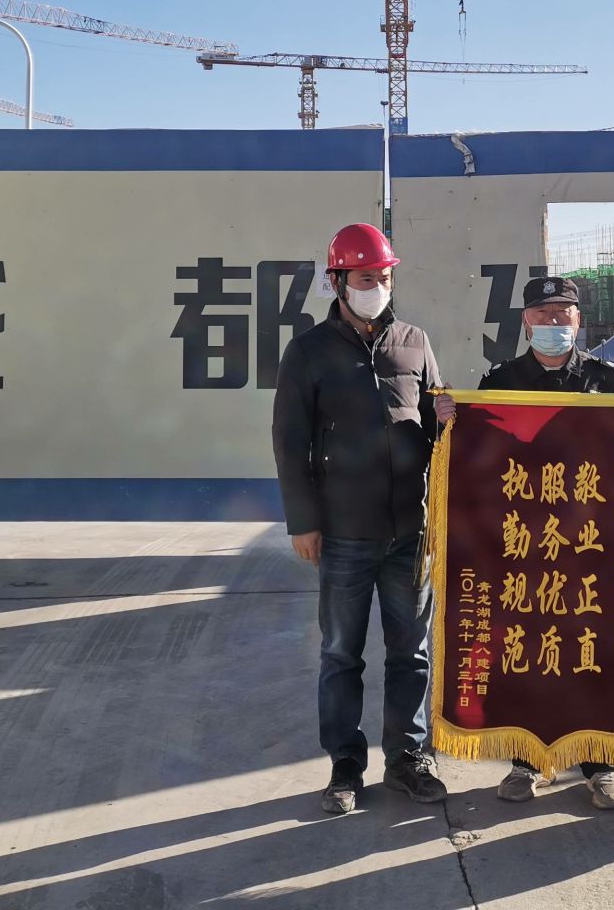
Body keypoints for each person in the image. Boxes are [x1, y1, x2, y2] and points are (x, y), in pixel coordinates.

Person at [434, 275, 614, 812]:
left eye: (563, 313)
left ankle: (600, 764)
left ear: (578, 320)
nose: (553, 322)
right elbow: (477, 457)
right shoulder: (500, 382)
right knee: (526, 645)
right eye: (542, 314)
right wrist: (451, 420)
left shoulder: (609, 381)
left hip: (590, 544)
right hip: (524, 546)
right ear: (526, 322)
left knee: (591, 646)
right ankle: (526, 760)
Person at [271, 223, 448, 817]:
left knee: (411, 653)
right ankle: (345, 763)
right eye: (366, 277)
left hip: (410, 534)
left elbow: (439, 427)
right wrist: (302, 521)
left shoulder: (415, 342)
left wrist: (449, 415)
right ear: (338, 281)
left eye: (384, 277)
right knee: (341, 654)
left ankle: (408, 758)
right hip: (344, 533)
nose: (377, 287)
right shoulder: (308, 352)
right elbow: (289, 442)